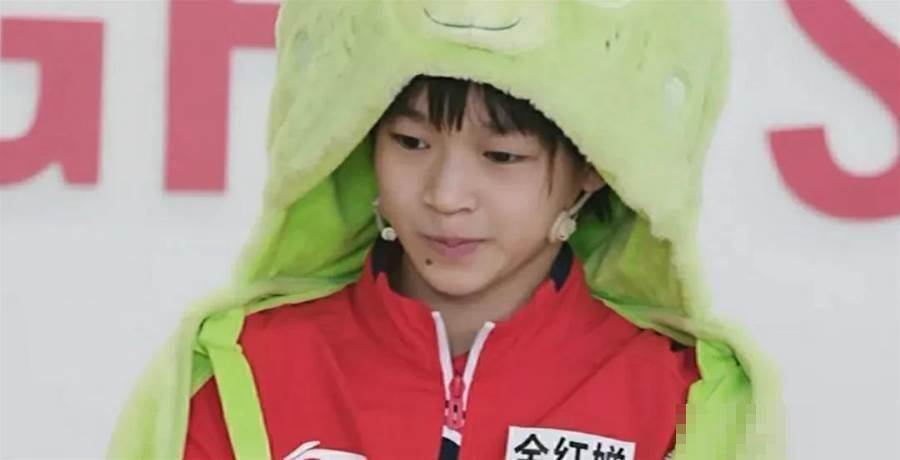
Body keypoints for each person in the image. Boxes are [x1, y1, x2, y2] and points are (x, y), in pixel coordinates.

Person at [109, 1, 783, 459]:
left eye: (501, 156)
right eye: (410, 142)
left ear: (593, 168)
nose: (446, 196)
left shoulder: (681, 396)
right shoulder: (241, 368)